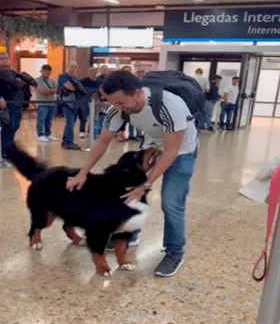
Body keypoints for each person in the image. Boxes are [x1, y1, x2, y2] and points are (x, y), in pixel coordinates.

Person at [66, 70, 198, 277]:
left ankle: (174, 252)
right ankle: (130, 235)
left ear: (137, 93)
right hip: (152, 145)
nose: (118, 108)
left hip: (181, 151)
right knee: (129, 196)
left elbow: (172, 150)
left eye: (120, 102)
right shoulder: (117, 109)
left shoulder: (169, 105)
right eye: (113, 103)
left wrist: (145, 184)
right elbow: (103, 141)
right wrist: (83, 172)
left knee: (171, 202)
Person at [0, 52, 25, 153]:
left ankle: (6, 148)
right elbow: (17, 83)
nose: (5, 60)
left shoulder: (10, 71)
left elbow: (26, 79)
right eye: (1, 58)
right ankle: (4, 151)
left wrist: (20, 80)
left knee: (14, 126)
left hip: (16, 104)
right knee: (9, 128)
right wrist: (19, 81)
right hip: (8, 105)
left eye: (6, 58)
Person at [57, 61, 86, 150]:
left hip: (75, 104)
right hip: (67, 103)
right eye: (72, 66)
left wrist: (77, 88)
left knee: (71, 123)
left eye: (75, 67)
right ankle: (69, 142)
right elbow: (70, 87)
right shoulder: (62, 76)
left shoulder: (76, 78)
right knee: (69, 123)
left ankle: (66, 141)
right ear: (67, 67)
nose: (74, 68)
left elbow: (81, 90)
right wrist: (76, 88)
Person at [34, 64, 58, 142]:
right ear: (41, 71)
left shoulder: (52, 81)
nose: (46, 72)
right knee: (41, 119)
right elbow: (43, 92)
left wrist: (49, 91)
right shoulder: (37, 80)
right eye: (44, 70)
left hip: (51, 103)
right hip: (42, 103)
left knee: (49, 120)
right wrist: (51, 91)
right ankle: (40, 135)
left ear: (50, 72)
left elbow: (57, 90)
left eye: (48, 71)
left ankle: (48, 134)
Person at [78, 66, 99, 139]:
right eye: (91, 71)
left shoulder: (99, 81)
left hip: (95, 102)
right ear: (88, 72)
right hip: (84, 101)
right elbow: (79, 90)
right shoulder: (83, 81)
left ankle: (90, 131)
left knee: (93, 117)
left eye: (94, 71)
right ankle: (81, 131)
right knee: (83, 116)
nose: (93, 73)